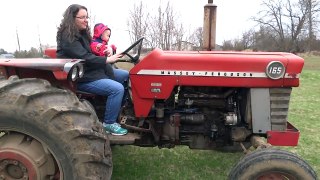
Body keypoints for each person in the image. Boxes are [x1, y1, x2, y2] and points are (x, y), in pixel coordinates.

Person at [56, 4, 128, 136]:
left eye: (87, 17)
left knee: (126, 75)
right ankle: (109, 123)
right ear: (72, 18)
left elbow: (94, 48)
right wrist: (107, 60)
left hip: (93, 71)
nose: (86, 20)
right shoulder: (68, 37)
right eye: (82, 17)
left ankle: (121, 109)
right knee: (117, 89)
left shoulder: (83, 34)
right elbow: (84, 56)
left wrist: (108, 49)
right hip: (81, 75)